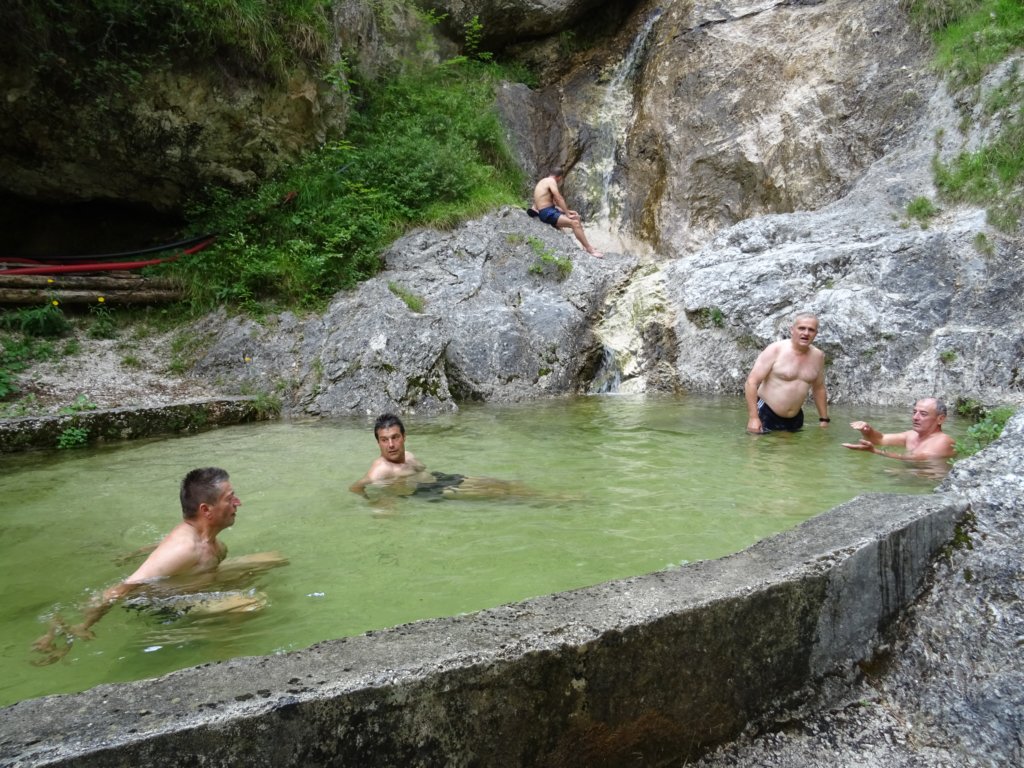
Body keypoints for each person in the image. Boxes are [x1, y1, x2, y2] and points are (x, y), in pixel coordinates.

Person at [32, 468, 286, 663]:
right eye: (230, 498)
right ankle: (220, 651)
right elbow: (122, 588)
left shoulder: (203, 539)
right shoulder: (183, 549)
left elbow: (164, 550)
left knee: (273, 558)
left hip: (196, 584)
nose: (238, 503)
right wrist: (81, 625)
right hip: (165, 605)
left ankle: (217, 617)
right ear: (206, 510)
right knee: (250, 602)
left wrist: (141, 551)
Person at [350, 413, 533, 502]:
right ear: (378, 442)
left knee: (497, 483)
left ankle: (532, 493)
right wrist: (374, 502)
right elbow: (356, 487)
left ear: (404, 437)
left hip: (439, 478)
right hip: (427, 491)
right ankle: (539, 501)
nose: (390, 445)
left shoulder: (408, 455)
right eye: (384, 440)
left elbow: (423, 469)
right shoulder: (380, 469)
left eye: (395, 437)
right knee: (496, 493)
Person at [745, 312, 830, 433]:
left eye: (811, 330)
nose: (806, 333)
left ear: (816, 333)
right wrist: (753, 418)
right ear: (792, 330)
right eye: (801, 328)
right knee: (758, 445)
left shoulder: (818, 356)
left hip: (795, 418)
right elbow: (751, 382)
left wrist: (824, 419)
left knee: (793, 446)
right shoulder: (775, 350)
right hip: (766, 413)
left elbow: (819, 388)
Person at [843, 397, 956, 461]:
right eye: (914, 412)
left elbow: (918, 459)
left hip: (928, 483)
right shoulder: (911, 435)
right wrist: (867, 430)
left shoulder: (944, 441)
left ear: (940, 419)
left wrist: (875, 451)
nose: (915, 417)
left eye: (923, 414)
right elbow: (880, 439)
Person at [529, 169, 603, 257]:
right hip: (547, 213)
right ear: (559, 177)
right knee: (574, 223)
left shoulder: (543, 181)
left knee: (576, 217)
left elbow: (549, 203)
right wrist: (567, 214)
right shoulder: (551, 181)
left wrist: (567, 211)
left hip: (549, 210)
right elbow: (558, 198)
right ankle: (590, 250)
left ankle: (585, 245)